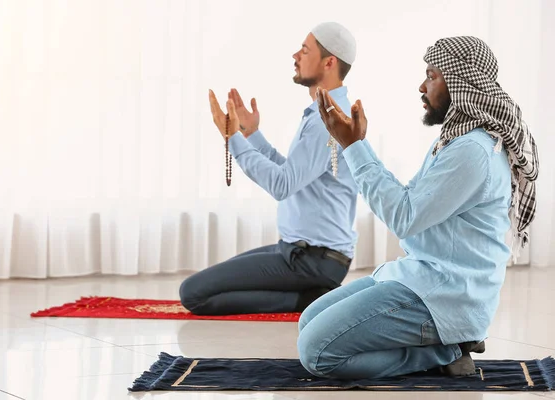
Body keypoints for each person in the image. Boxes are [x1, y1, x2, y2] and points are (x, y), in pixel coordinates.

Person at [297, 36, 539, 378]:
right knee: (309, 320)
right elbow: (407, 200)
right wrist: (358, 144)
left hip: (446, 295)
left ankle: (445, 351)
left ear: (461, 83)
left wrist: (352, 146)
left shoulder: (473, 153)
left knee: (317, 352)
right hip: (419, 275)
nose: (421, 86)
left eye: (432, 76)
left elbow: (403, 217)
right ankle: (435, 344)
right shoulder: (454, 140)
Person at [179, 22, 360, 315]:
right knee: (213, 281)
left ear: (329, 62)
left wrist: (233, 138)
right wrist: (251, 135)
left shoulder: (325, 121)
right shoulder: (322, 113)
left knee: (194, 294)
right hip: (302, 252)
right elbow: (292, 174)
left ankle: (308, 300)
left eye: (304, 50)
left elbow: (281, 185)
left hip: (312, 260)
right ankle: (315, 293)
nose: (295, 55)